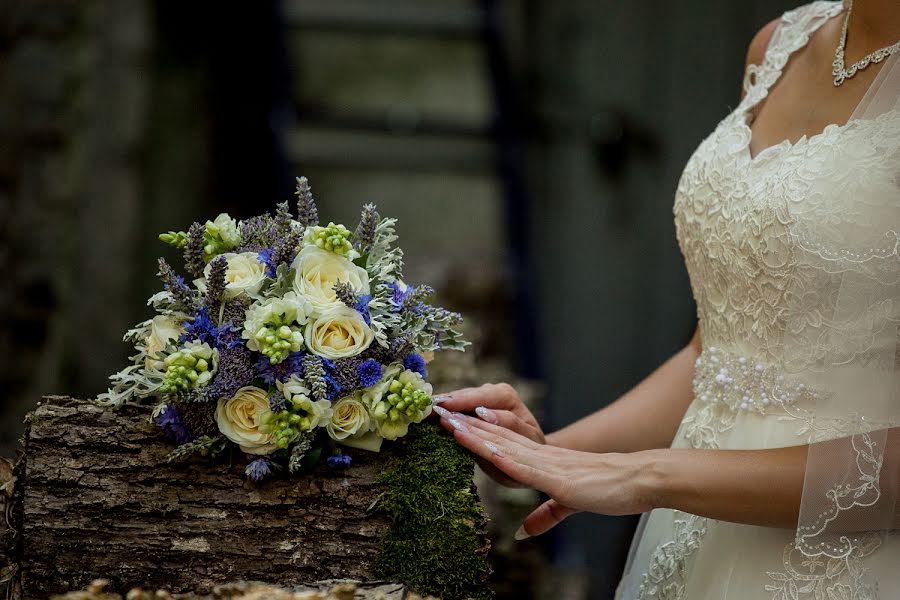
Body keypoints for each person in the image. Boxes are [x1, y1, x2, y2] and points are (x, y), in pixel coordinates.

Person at [432, 1, 900, 598]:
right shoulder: (779, 44)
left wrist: (646, 474)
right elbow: (723, 357)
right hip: (694, 535)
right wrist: (546, 456)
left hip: (852, 561)